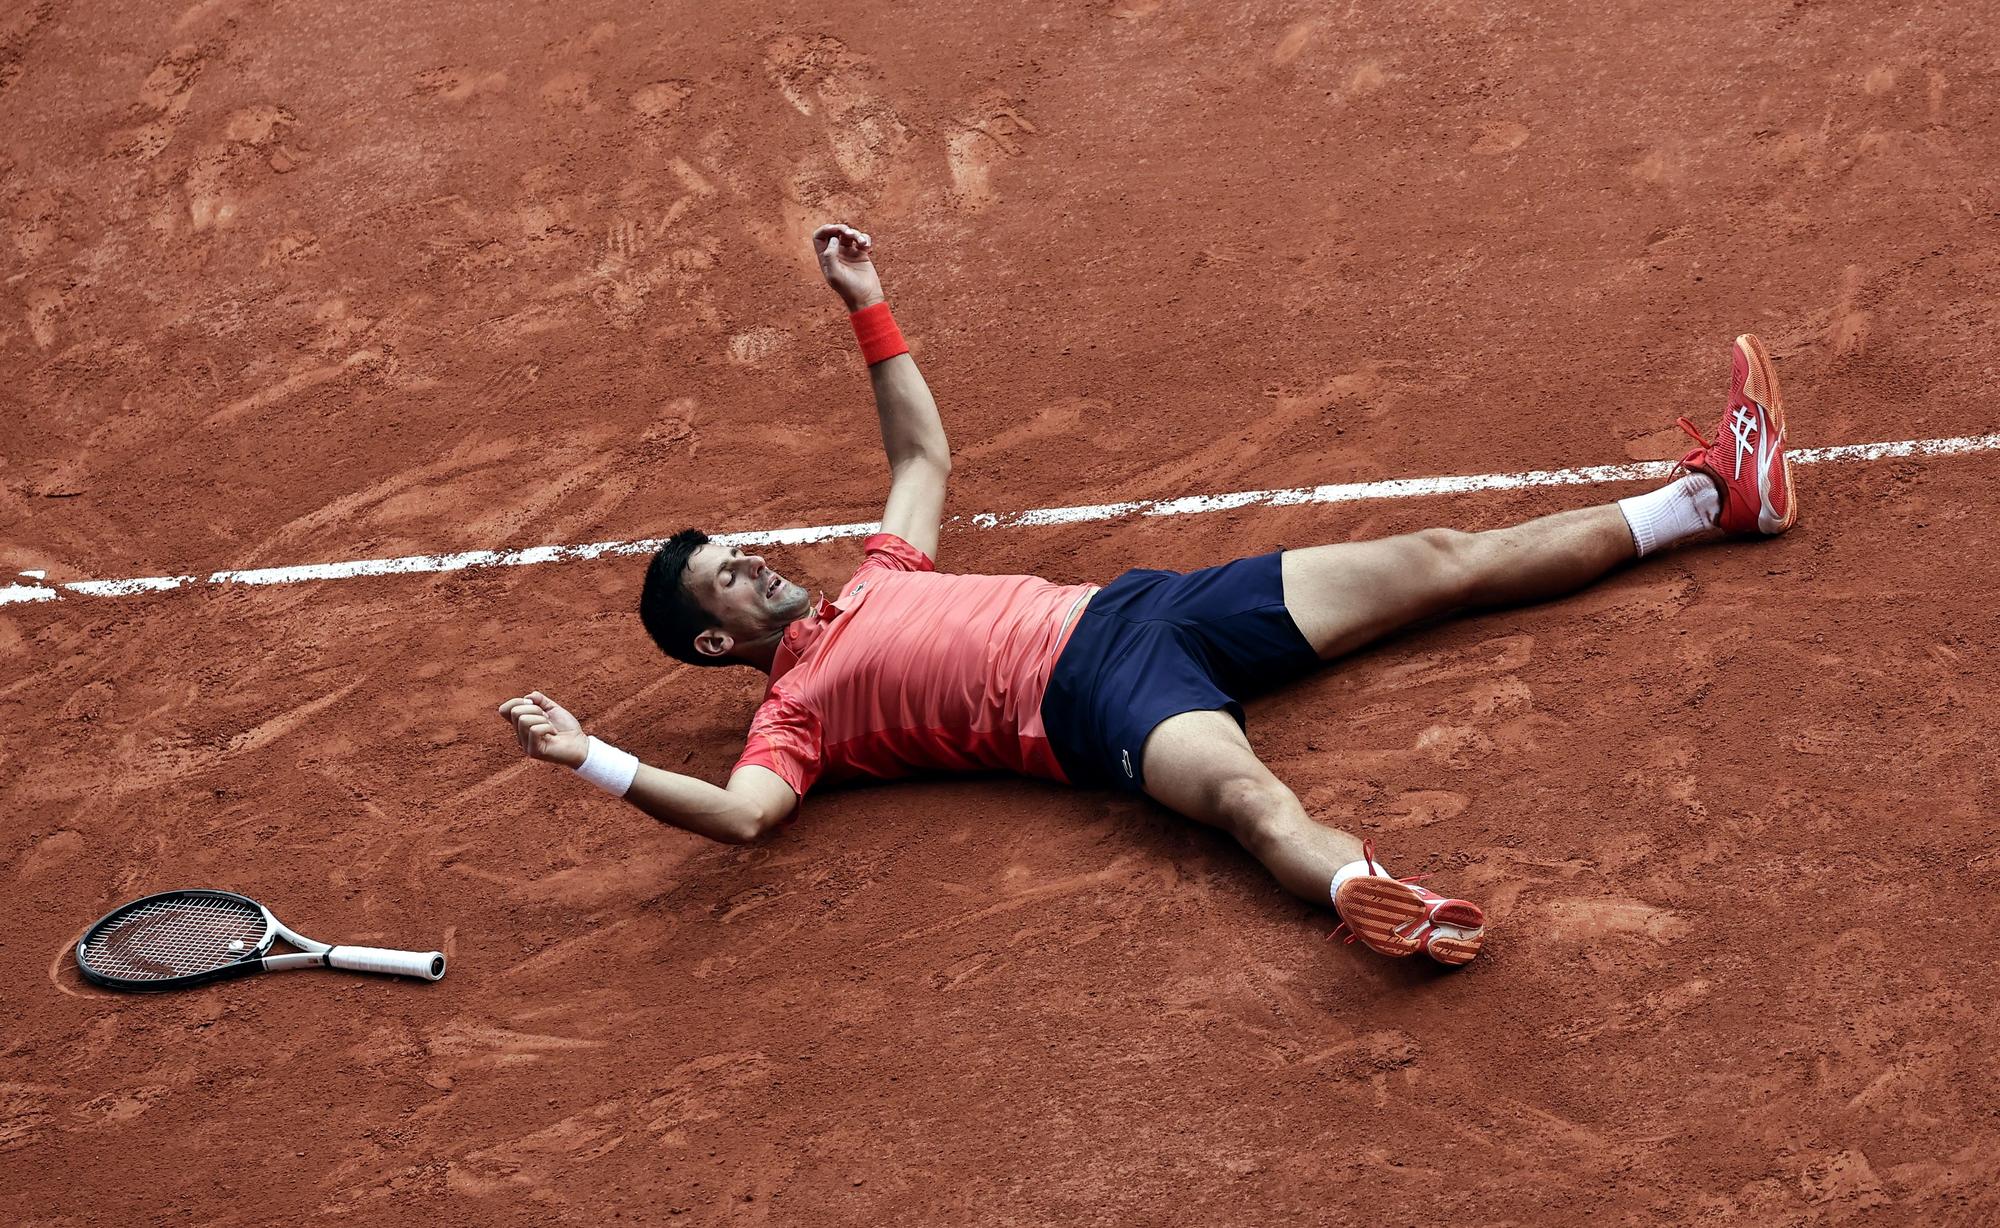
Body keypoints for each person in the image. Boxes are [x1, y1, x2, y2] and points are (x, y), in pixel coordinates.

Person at [497, 222, 1798, 967]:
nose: (760, 557)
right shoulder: (798, 717)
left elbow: (921, 457)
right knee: (1245, 799)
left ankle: (1708, 501)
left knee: (1439, 562)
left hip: (1149, 609)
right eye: (733, 573)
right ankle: (1370, 897)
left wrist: (870, 305)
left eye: (741, 544)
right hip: (1097, 702)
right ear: (721, 635)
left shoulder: (880, 572)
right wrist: (591, 760)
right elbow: (739, 820)